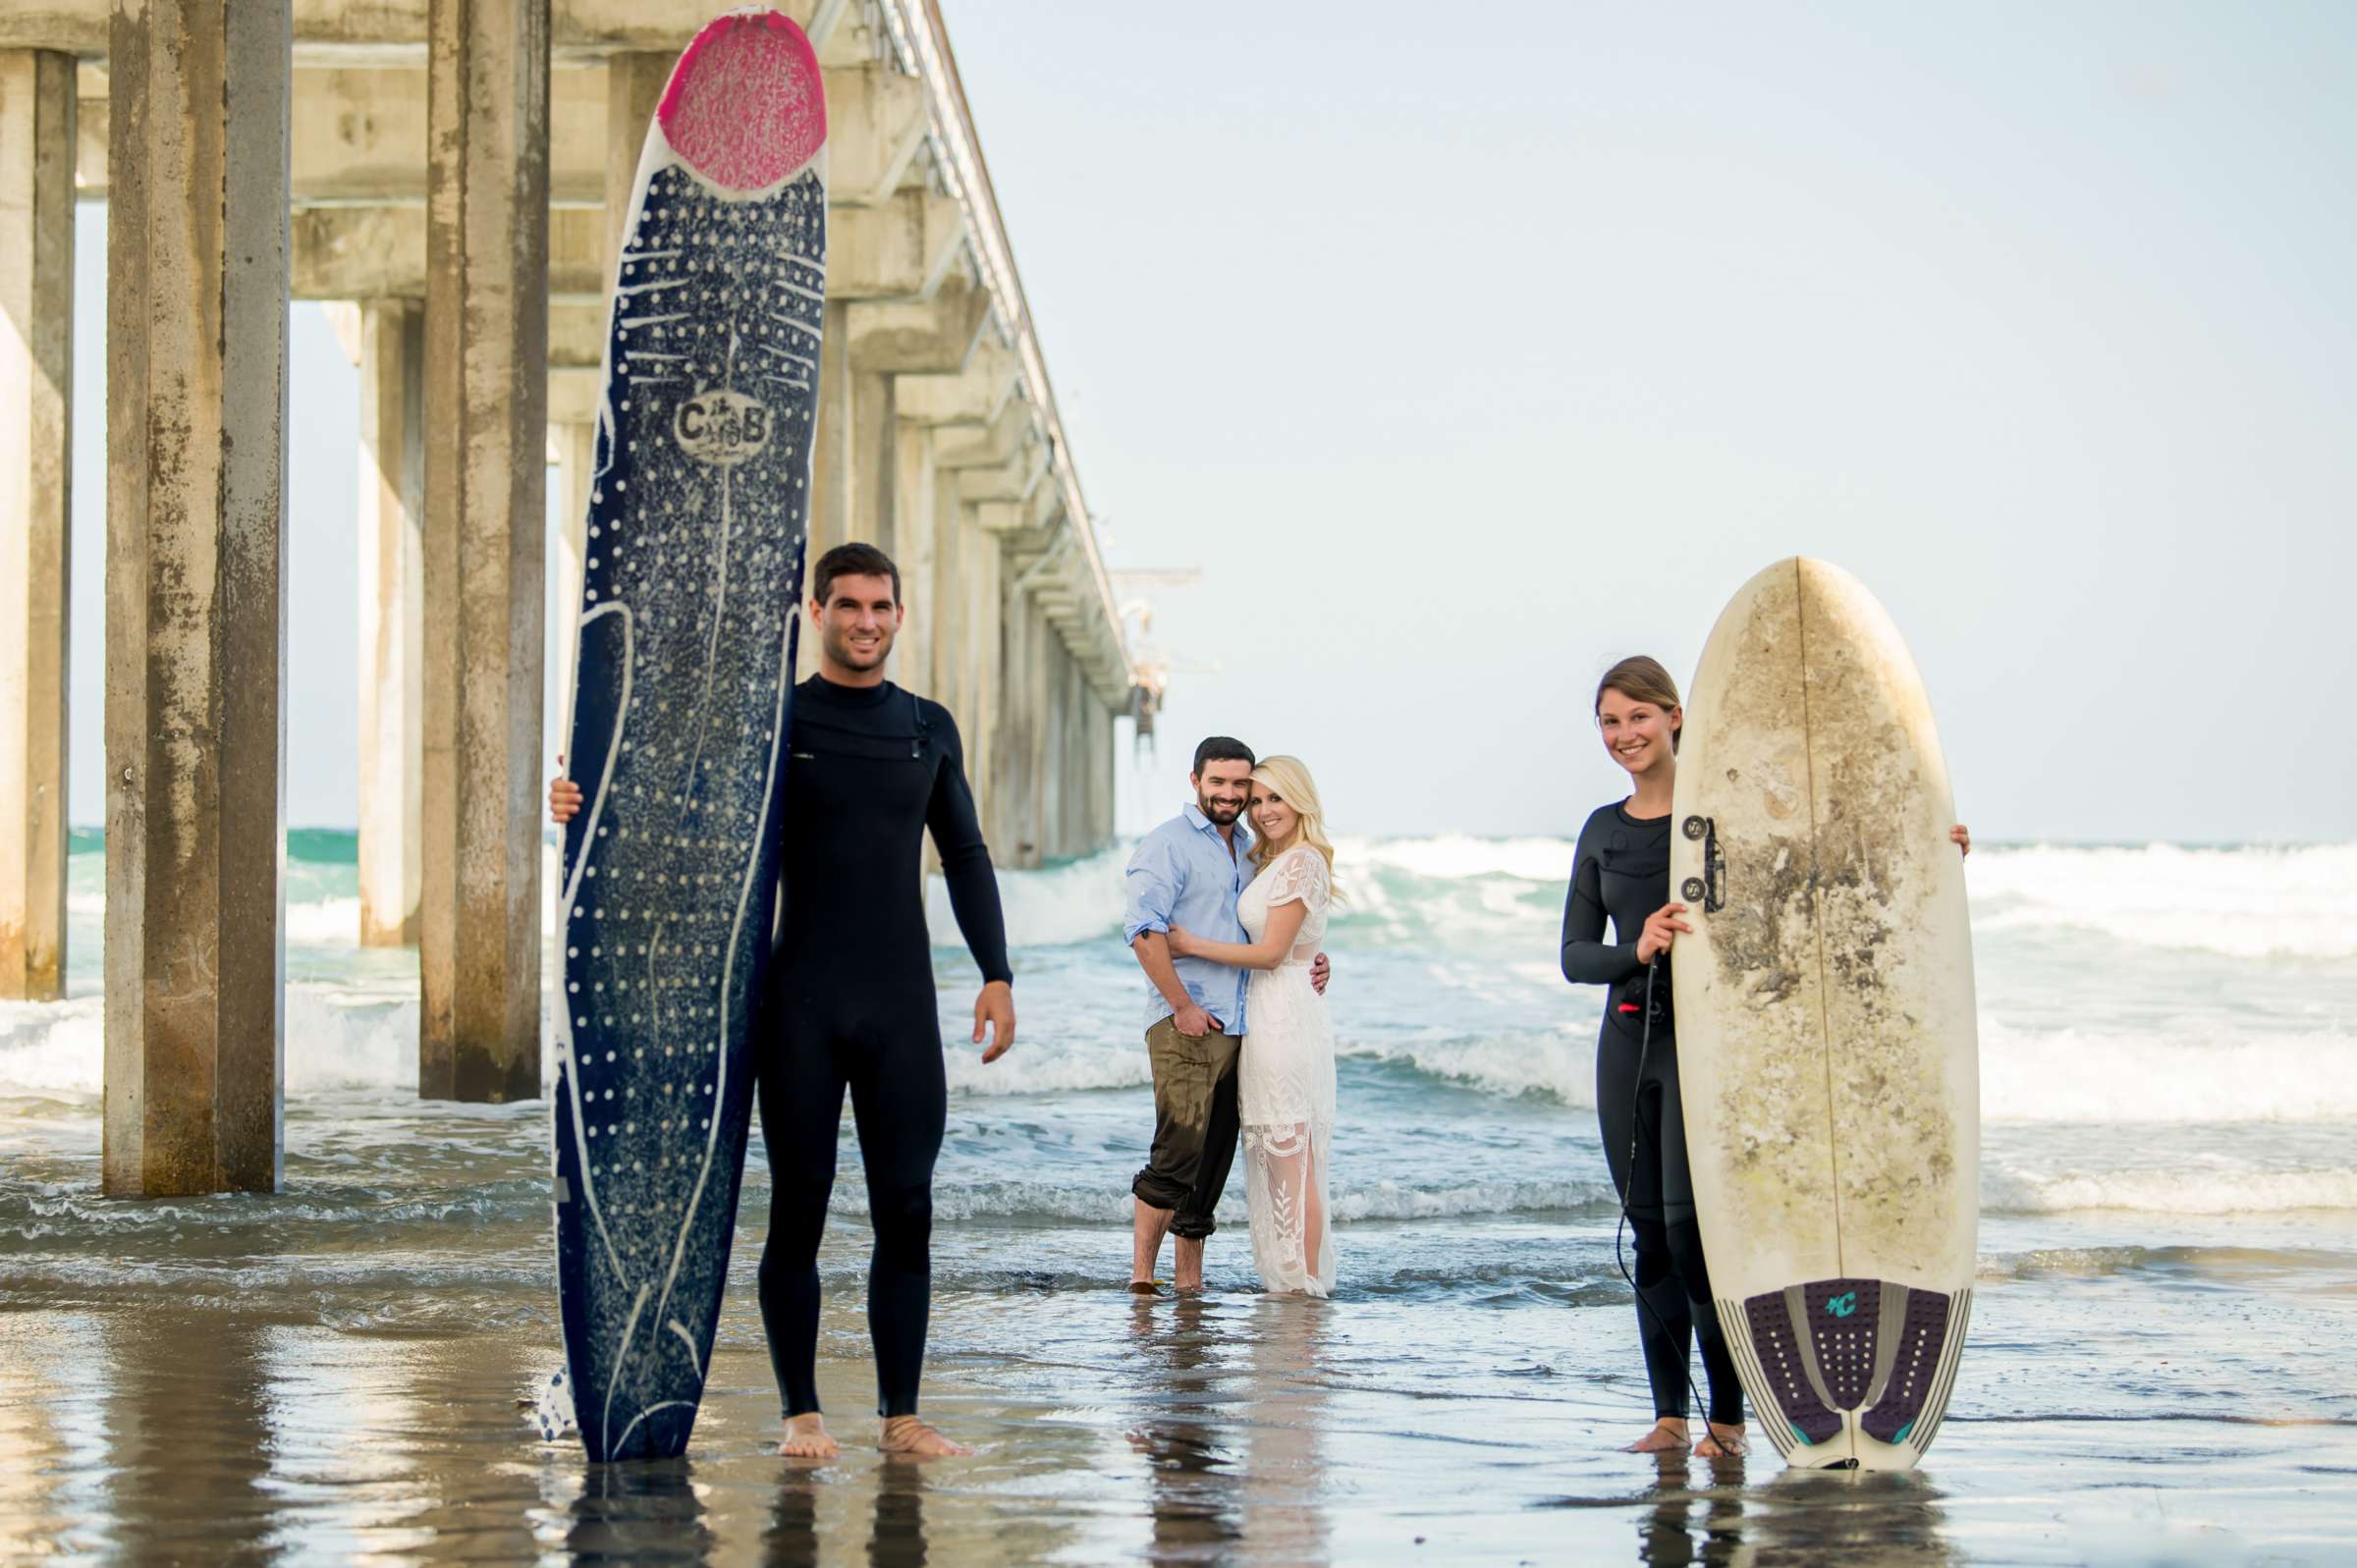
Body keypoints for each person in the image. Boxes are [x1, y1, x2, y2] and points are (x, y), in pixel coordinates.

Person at [551, 541, 1014, 1460]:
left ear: (899, 616)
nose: (866, 622)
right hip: (800, 999)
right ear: (816, 612)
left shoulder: (929, 726)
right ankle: (802, 1411)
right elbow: (674, 808)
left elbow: (964, 855)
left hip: (901, 1007)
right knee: (799, 1202)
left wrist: (996, 972)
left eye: (881, 607)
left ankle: (902, 1415)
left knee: (907, 1206)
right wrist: (580, 795)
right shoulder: (775, 721)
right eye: (848, 606)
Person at [1561, 656, 1970, 1459]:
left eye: (1638, 717)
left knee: (1693, 1240)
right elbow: (1575, 954)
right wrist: (1635, 947)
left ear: (1676, 716)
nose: (1624, 736)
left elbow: (1827, 884)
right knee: (1646, 1237)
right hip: (1627, 1046)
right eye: (1610, 722)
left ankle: (1731, 1419)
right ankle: (1671, 1417)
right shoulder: (1602, 829)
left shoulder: (1726, 820)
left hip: (1707, 1052)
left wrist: (1931, 853)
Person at [1123, 738, 1329, 1294]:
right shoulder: (1167, 844)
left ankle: (1189, 1282)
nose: (1235, 796)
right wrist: (1182, 1007)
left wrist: (1312, 956)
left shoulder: (1252, 849)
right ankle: (1143, 1278)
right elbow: (1144, 933)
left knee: (1212, 1160)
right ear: (1196, 782)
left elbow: (1275, 933)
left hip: (1249, 1026)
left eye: (1245, 787)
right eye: (1222, 783)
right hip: (1189, 1020)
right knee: (1177, 1150)